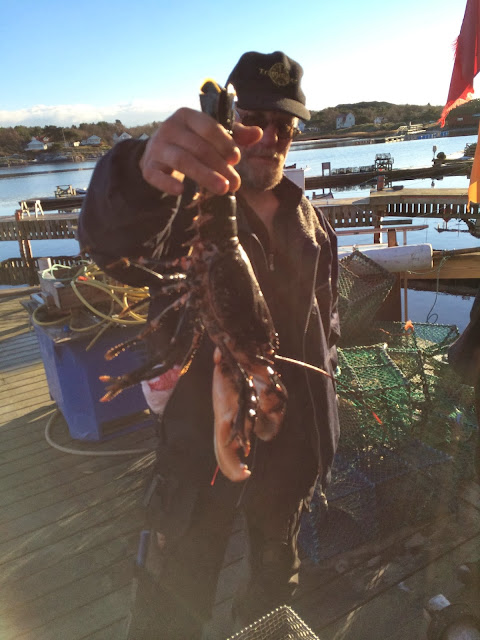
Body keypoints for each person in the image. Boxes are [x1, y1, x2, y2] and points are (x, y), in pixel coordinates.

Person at [78, 50, 340, 639]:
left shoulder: (313, 224)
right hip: (198, 458)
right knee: (172, 599)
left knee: (273, 586)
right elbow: (106, 236)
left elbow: (329, 324)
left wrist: (320, 424)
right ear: (230, 126)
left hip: (290, 455)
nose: (271, 137)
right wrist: (138, 171)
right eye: (256, 120)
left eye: (285, 126)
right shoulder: (180, 213)